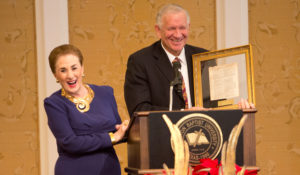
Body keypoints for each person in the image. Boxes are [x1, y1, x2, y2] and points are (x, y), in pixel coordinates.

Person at [124, 4, 254, 117]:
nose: (178, 34)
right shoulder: (140, 61)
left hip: (206, 134)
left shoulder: (204, 58)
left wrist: (239, 108)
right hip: (163, 138)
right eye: (171, 28)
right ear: (158, 30)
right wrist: (183, 113)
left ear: (189, 27)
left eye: (182, 28)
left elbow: (218, 104)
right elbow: (139, 110)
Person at [44, 44, 128, 175]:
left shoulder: (105, 93)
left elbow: (117, 132)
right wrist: (111, 138)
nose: (70, 75)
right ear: (55, 75)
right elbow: (70, 143)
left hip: (109, 169)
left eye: (74, 68)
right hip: (74, 170)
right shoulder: (54, 103)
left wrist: (128, 128)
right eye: (63, 70)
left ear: (82, 69)